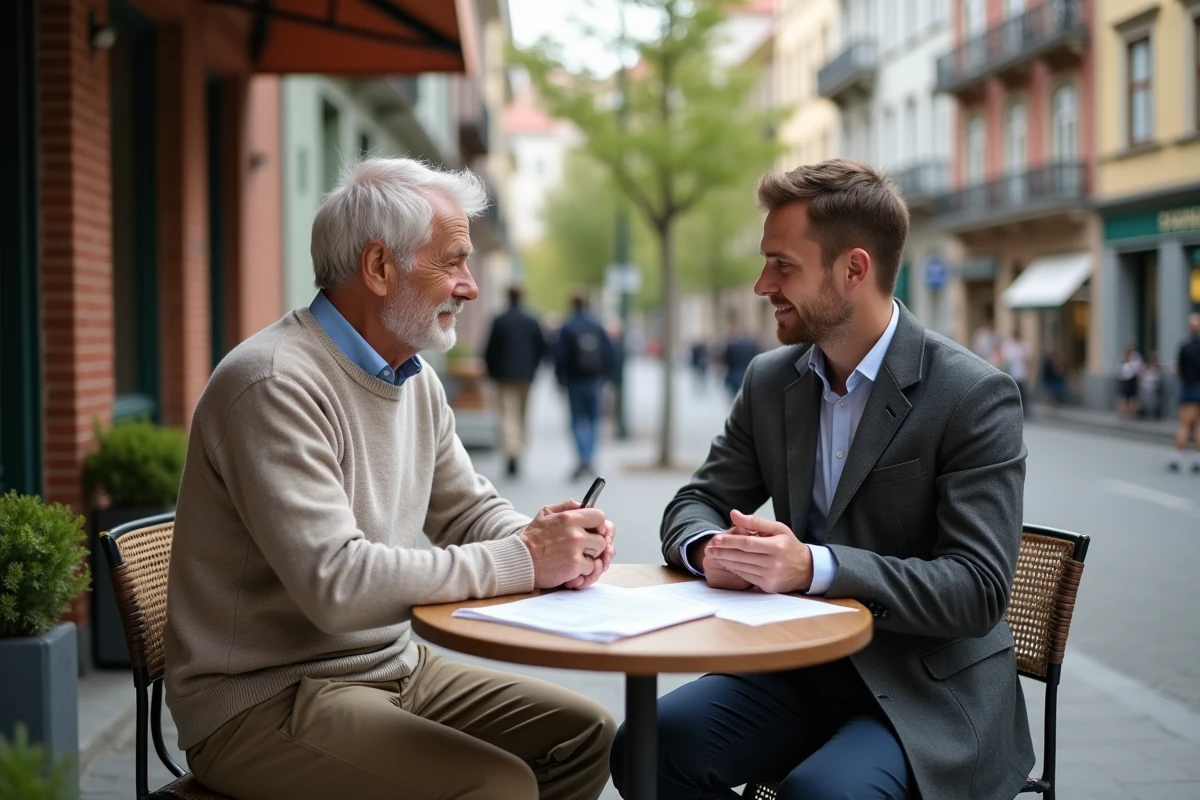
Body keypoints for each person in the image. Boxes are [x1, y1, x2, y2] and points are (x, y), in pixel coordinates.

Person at [164, 158, 617, 800]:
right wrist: (523, 560)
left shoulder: (413, 378)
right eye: (453, 261)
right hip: (264, 700)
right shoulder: (272, 383)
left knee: (586, 733)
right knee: (499, 785)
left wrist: (552, 542)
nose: (470, 286)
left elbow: (466, 511)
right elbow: (337, 585)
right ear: (379, 268)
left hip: (394, 667)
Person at [611, 159, 1032, 800]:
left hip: (925, 690)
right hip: (799, 667)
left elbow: (976, 591)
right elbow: (695, 502)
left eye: (783, 266)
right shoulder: (771, 380)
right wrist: (711, 549)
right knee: (645, 746)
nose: (761, 285)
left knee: (821, 794)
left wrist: (812, 566)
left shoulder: (972, 395)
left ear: (853, 270)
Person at [484, 284, 547, 477]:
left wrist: (491, 372)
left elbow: (489, 350)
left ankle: (511, 450)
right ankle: (519, 450)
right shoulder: (532, 320)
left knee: (507, 415)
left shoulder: (500, 320)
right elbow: (542, 348)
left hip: (503, 376)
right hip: (526, 376)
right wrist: (534, 367)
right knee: (522, 414)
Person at [554, 291, 616, 480]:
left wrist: (560, 379)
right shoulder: (597, 326)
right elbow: (609, 353)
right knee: (593, 420)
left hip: (574, 381)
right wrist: (606, 376)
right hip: (594, 380)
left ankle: (582, 458)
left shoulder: (568, 326)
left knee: (576, 421)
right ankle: (589, 457)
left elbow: (560, 356)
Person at [1170, 313, 1200, 472]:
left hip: (1189, 388)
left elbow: (1178, 368)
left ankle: (1176, 457)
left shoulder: (1184, 346)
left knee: (1185, 425)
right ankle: (1197, 459)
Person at [720, 320, 760, 400]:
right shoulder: (752, 344)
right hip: (748, 372)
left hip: (734, 373)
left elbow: (727, 359)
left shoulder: (732, 344)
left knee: (734, 395)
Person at [1000, 328, 1031, 417]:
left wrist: (1028, 371)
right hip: (1011, 373)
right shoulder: (1008, 345)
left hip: (1021, 373)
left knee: (1023, 393)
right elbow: (1004, 359)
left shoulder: (1023, 345)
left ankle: (1024, 410)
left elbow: (1027, 360)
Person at [1117, 344, 1144, 420]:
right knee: (1125, 398)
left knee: (1132, 398)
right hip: (1125, 380)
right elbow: (1119, 369)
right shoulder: (1123, 357)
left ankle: (1132, 414)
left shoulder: (1135, 357)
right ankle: (1125, 413)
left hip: (1132, 379)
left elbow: (1137, 368)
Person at [1041, 345, 1068, 410]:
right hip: (1051, 380)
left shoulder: (1056, 359)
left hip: (1054, 380)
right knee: (1051, 396)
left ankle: (1053, 410)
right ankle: (1048, 409)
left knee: (1054, 396)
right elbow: (1049, 371)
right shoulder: (1049, 360)